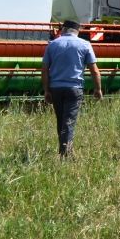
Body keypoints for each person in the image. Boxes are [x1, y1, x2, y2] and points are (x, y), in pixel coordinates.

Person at [41, 20, 103, 158]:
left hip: (56, 88)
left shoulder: (52, 45)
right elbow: (94, 70)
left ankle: (63, 149)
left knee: (61, 120)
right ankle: (66, 154)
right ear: (77, 31)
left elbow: (44, 69)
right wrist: (98, 89)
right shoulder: (85, 44)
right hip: (74, 89)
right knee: (69, 121)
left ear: (63, 30)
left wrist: (46, 90)